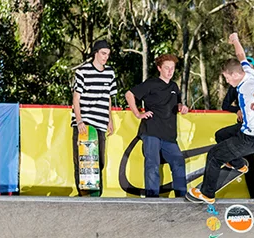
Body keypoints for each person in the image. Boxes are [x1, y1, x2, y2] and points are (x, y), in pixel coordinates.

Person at [186, 33, 254, 204]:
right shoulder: (248, 70)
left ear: (234, 75)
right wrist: (236, 40)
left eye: (226, 77)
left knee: (214, 155)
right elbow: (241, 56)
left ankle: (207, 194)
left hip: (251, 139)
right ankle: (239, 164)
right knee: (221, 135)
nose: (226, 81)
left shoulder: (249, 86)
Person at [125, 54, 189, 198]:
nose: (170, 71)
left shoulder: (174, 86)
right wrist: (138, 114)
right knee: (152, 165)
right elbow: (129, 94)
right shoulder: (151, 83)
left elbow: (177, 103)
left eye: (172, 68)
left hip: (169, 135)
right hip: (152, 131)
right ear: (159, 68)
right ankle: (152, 199)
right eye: (167, 68)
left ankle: (182, 197)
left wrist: (181, 106)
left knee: (178, 162)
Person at [221, 57, 254, 199]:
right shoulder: (237, 85)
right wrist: (236, 110)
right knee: (249, 165)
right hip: (246, 130)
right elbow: (225, 104)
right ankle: (253, 196)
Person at [72, 40, 117, 195]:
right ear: (95, 53)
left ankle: (97, 193)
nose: (106, 57)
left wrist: (110, 119)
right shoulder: (82, 71)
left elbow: (108, 97)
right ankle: (82, 192)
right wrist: (79, 121)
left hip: (100, 121)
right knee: (82, 159)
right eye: (103, 54)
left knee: (99, 160)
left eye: (108, 55)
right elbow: (76, 98)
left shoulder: (110, 72)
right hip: (84, 121)